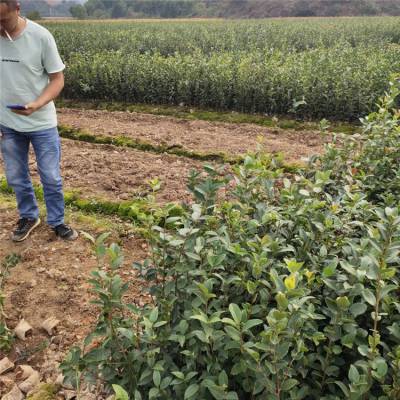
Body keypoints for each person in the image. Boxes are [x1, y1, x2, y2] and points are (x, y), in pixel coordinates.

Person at [0, 0, 77, 241]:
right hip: (8, 124)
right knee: (15, 176)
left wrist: (36, 104)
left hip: (42, 123)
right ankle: (29, 216)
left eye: (3, 20)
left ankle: (57, 221)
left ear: (17, 9)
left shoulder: (41, 36)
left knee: (51, 177)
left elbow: (57, 80)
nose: (0, 26)